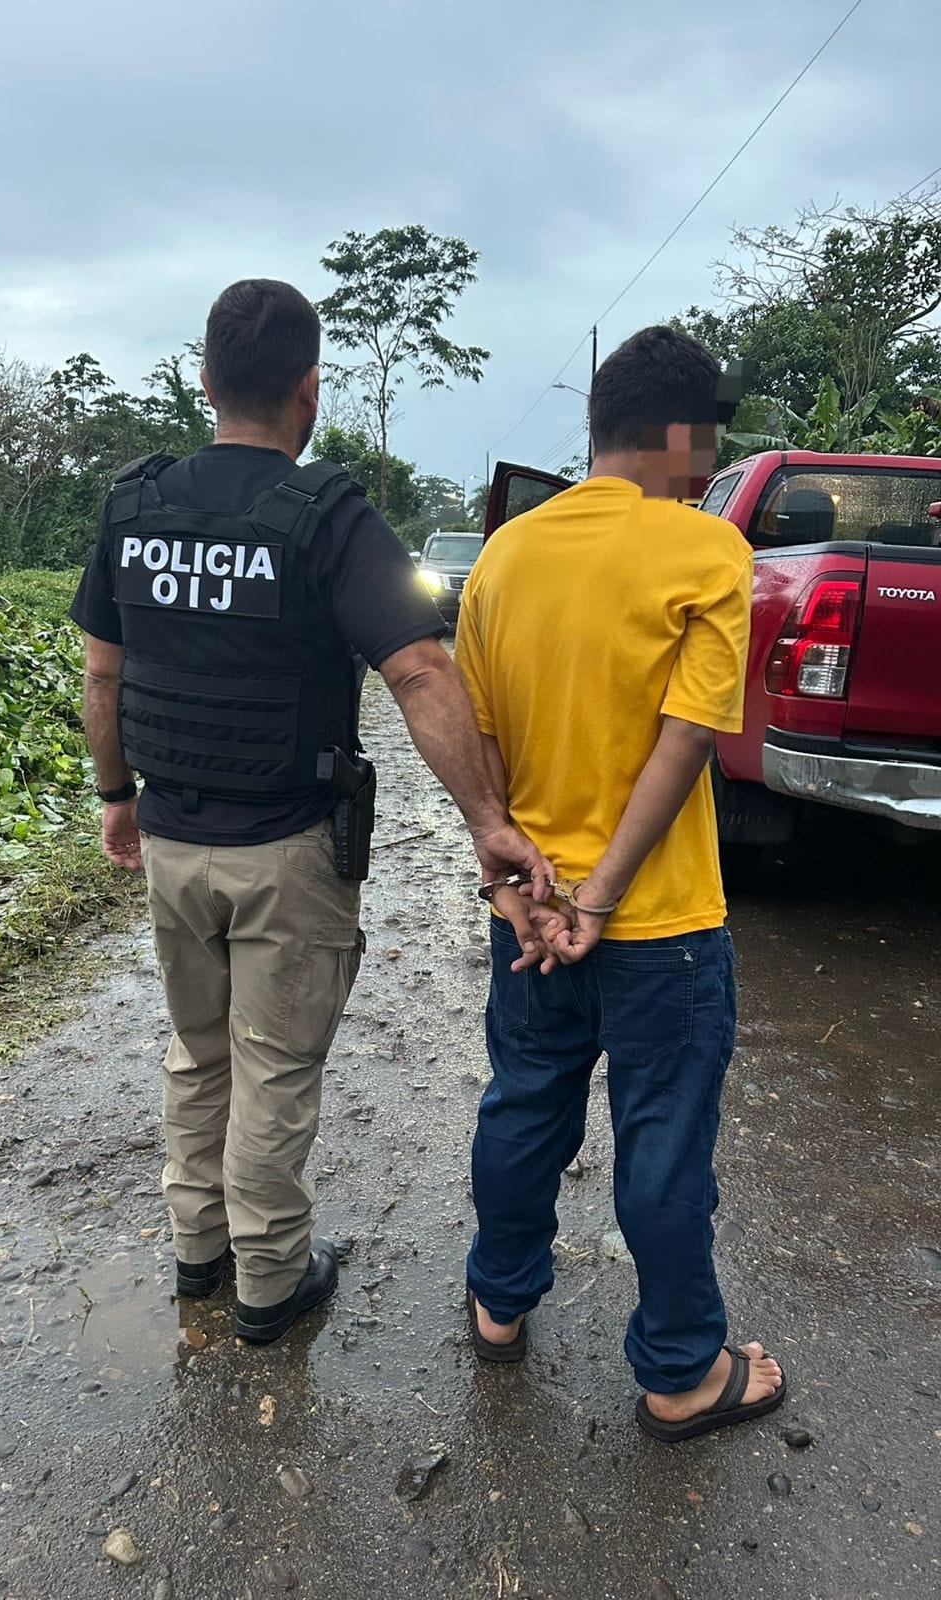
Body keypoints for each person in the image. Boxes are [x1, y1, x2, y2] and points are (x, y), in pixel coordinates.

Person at [70, 278, 550, 1345]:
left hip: (175, 840)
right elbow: (421, 670)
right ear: (310, 390)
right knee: (274, 1067)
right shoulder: (328, 515)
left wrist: (115, 799)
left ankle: (198, 1251)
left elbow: (102, 678)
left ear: (203, 381)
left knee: (199, 1055)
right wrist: (487, 825)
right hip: (287, 847)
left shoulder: (135, 503)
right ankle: (269, 1281)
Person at [454, 324, 787, 1442]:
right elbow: (689, 739)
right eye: (709, 447)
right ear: (686, 440)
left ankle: (499, 1303)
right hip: (659, 925)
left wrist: (523, 890)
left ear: (595, 425)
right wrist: (602, 897)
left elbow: (480, 742)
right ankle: (683, 1372)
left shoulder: (505, 555)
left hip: (532, 917)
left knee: (524, 1106)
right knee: (663, 1141)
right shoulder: (706, 553)